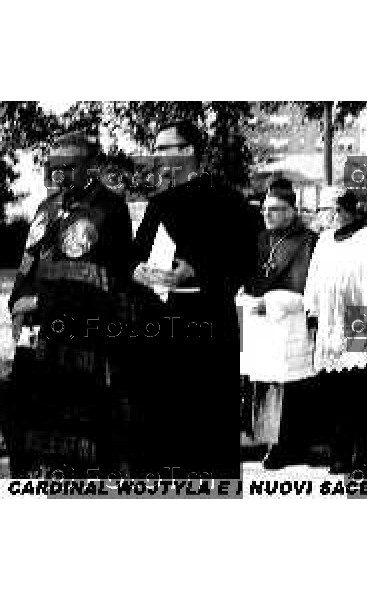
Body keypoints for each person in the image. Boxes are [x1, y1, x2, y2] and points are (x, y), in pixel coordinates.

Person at [4, 131, 135, 477]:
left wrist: (41, 301)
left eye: (70, 166)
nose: (60, 174)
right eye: (54, 166)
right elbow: (28, 261)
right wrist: (18, 300)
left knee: (80, 436)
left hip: (81, 341)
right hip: (34, 337)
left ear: (91, 166)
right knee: (27, 420)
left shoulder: (111, 210)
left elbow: (110, 281)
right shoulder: (47, 207)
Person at [130, 120, 257, 478]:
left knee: (208, 431)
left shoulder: (228, 202)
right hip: (160, 328)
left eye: (164, 148)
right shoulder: (157, 204)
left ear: (188, 151)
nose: (156, 156)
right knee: (162, 427)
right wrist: (137, 270)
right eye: (154, 149)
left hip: (208, 329)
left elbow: (249, 262)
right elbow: (134, 255)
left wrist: (196, 270)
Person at [304, 189, 367, 473]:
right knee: (334, 392)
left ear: (344, 210)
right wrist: (313, 312)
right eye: (323, 211)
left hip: (358, 319)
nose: (325, 216)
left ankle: (362, 455)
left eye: (329, 210)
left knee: (361, 393)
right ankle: (339, 452)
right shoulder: (324, 241)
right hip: (329, 321)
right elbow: (313, 279)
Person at [237, 178, 319, 469]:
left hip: (288, 323)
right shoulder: (260, 238)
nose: (267, 215)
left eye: (275, 209)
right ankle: (262, 439)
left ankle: (285, 444)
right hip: (258, 324)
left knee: (287, 387)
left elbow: (305, 289)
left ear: (292, 210)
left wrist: (268, 302)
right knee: (260, 383)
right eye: (265, 210)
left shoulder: (307, 240)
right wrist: (244, 294)